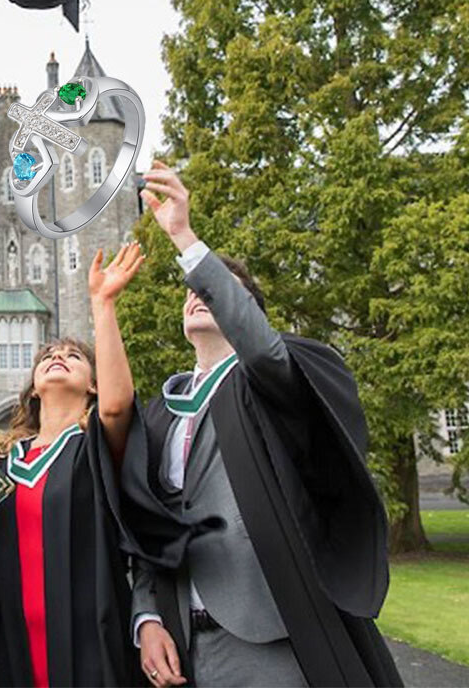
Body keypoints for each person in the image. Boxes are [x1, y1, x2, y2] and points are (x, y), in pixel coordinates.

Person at [129, 161, 401, 687]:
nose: (198, 294)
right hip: (184, 640)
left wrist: (184, 238)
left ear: (245, 310)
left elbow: (263, 350)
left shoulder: (274, 381)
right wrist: (147, 618)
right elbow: (147, 527)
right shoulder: (162, 410)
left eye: (216, 289)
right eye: (193, 291)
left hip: (273, 630)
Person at [0, 242, 150, 687]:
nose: (58, 357)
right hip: (13, 644)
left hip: (92, 642)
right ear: (33, 388)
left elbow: (118, 408)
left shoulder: (94, 447)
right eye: (47, 357)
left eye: (73, 357)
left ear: (93, 386)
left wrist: (103, 305)